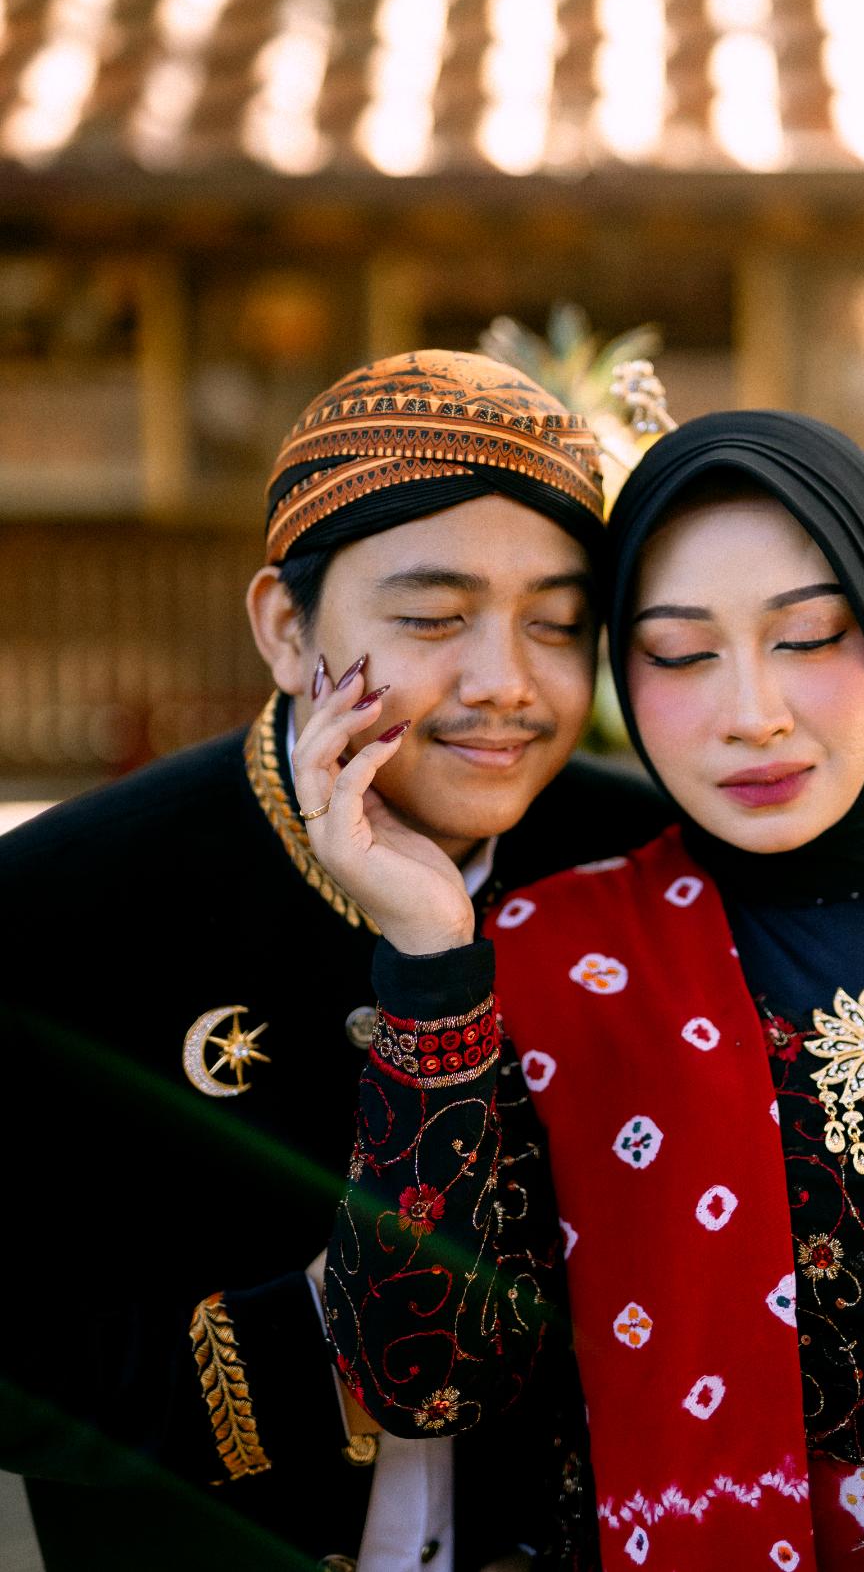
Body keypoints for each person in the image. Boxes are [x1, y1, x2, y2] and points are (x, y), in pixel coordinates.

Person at [300, 410, 864, 1572]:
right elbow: (421, 1378)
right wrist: (429, 963)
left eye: (809, 636)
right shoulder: (546, 958)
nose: (751, 712)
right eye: (679, 653)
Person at [0, 350, 668, 1572]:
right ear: (284, 625)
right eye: (431, 618)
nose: (504, 684)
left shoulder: (642, 869)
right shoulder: (56, 905)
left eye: (558, 624)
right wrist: (334, 1336)